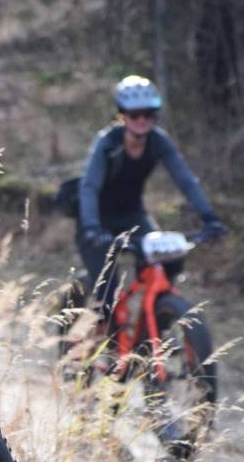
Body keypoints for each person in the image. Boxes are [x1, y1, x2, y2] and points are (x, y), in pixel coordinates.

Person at [77, 75, 226, 317]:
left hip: (133, 216)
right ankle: (100, 338)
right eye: (135, 115)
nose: (142, 120)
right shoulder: (108, 143)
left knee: (168, 261)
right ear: (122, 114)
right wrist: (92, 227)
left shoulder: (158, 141)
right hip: (98, 222)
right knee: (107, 298)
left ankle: (159, 319)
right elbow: (89, 187)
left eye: (149, 114)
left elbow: (186, 182)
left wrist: (210, 218)